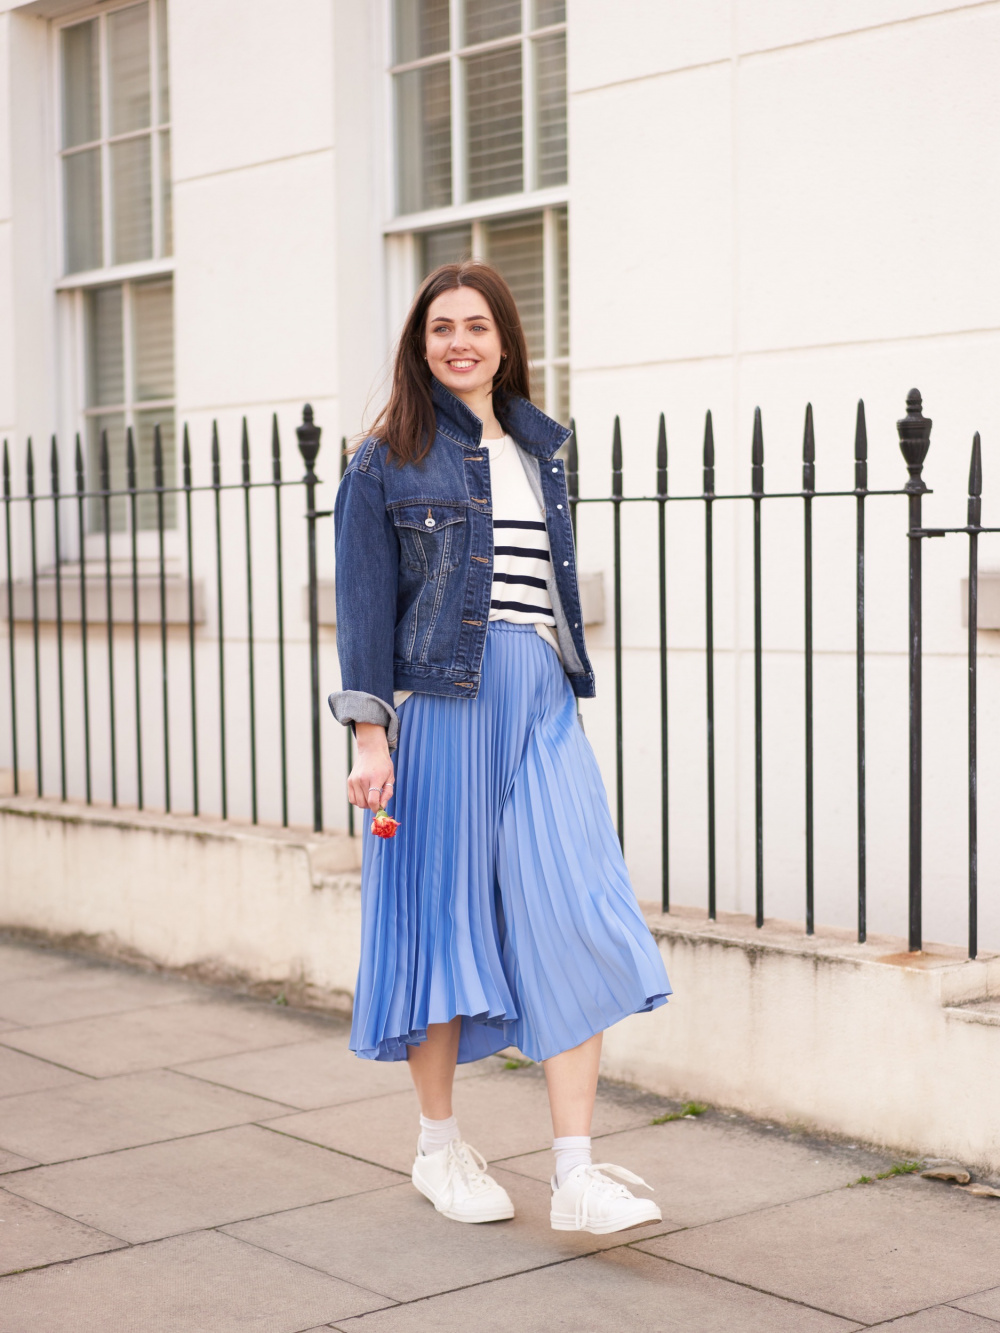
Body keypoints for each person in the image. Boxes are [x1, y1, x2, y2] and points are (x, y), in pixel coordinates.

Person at [330, 260, 671, 1235]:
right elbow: (363, 610)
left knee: (582, 908)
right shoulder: (386, 458)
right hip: (444, 705)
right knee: (443, 926)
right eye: (440, 327)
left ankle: (574, 1172)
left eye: (476, 325)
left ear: (505, 339)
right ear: (419, 342)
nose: (459, 342)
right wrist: (369, 733)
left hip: (542, 700)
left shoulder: (533, 445)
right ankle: (438, 1148)